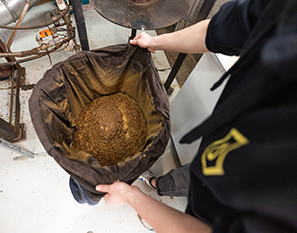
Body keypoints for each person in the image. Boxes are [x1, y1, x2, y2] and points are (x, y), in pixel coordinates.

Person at [96, 0, 297, 232]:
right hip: (220, 153)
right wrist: (155, 42)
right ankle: (157, 185)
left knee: (202, 205)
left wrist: (132, 197)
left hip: (226, 213)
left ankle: (158, 211)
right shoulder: (283, 10)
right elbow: (215, 31)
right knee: (196, 172)